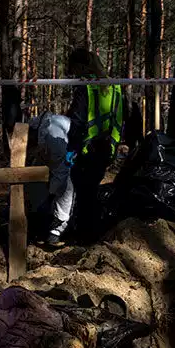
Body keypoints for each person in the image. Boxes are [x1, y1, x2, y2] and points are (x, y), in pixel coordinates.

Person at [62, 48, 129, 244]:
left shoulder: (86, 87)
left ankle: (84, 237)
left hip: (87, 148)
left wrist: (71, 148)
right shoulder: (115, 86)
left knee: (83, 193)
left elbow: (78, 120)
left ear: (82, 67)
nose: (73, 74)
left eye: (74, 69)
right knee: (91, 190)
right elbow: (122, 116)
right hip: (108, 147)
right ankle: (91, 232)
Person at [26, 112, 75, 246]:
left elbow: (60, 176)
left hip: (72, 153)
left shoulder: (54, 140)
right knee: (36, 181)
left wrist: (50, 194)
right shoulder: (32, 129)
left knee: (66, 188)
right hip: (49, 152)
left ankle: (57, 228)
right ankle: (35, 215)